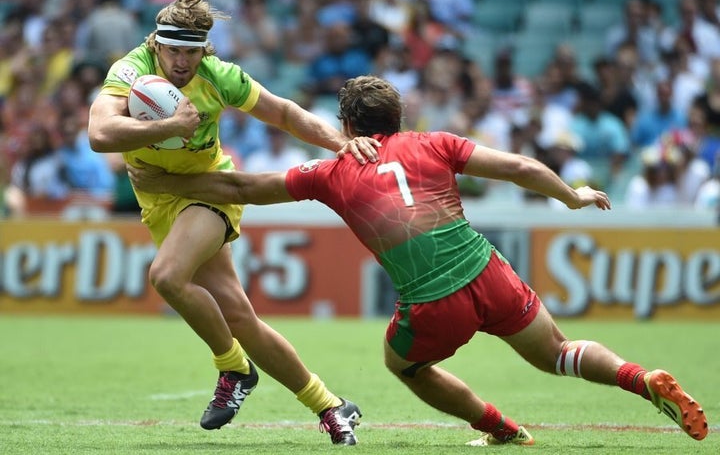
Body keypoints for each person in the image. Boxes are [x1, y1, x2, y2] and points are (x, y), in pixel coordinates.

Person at [128, 75, 709, 446]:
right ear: (399, 120)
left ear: (349, 127)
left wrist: (160, 177)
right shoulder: (436, 143)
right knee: (558, 353)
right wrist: (572, 196)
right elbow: (520, 167)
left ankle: (498, 428)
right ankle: (642, 378)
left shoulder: (332, 171)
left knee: (404, 366)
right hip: (487, 269)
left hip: (432, 304)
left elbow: (243, 190)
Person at [87, 0, 378, 445]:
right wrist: (172, 125)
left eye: (191, 52)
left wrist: (343, 144)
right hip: (158, 201)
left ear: (204, 49)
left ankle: (234, 368)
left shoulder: (220, 75)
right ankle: (331, 405)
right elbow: (100, 134)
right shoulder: (131, 69)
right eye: (172, 50)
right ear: (155, 43)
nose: (181, 62)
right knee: (240, 318)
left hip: (209, 191)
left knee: (166, 276)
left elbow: (284, 113)